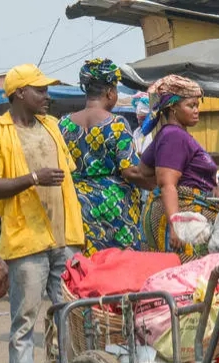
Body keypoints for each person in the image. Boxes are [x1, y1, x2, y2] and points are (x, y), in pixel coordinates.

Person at [0, 64, 85, 363]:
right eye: (39, 90)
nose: (47, 95)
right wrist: (33, 178)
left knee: (70, 311)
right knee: (24, 316)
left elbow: (67, 175)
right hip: (27, 239)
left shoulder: (52, 126)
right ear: (19, 93)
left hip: (64, 236)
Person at [60, 59, 152, 255]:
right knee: (116, 268)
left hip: (77, 205)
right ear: (110, 92)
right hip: (114, 208)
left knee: (83, 268)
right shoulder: (116, 123)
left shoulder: (63, 124)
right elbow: (131, 170)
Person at [139, 75, 219, 262]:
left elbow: (144, 170)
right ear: (173, 108)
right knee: (184, 279)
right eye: (191, 106)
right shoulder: (174, 136)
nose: (196, 111)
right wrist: (177, 226)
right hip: (184, 222)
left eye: (197, 105)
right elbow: (167, 184)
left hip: (184, 216)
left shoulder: (169, 134)